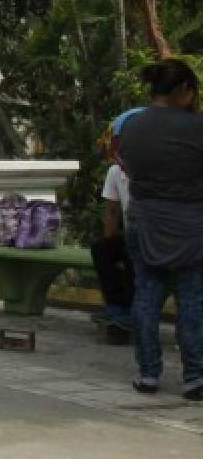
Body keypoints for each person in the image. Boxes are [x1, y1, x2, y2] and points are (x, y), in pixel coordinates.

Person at [117, 58, 203, 401]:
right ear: (183, 90)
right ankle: (195, 377)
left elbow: (125, 166)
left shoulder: (131, 127)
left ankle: (148, 373)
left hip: (144, 220)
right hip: (191, 224)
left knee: (147, 296)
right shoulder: (197, 127)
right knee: (192, 299)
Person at [89, 108, 143, 330]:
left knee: (134, 250)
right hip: (133, 235)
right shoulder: (115, 172)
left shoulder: (159, 167)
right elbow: (111, 211)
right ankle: (115, 307)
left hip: (160, 238)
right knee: (102, 248)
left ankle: (131, 312)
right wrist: (110, 244)